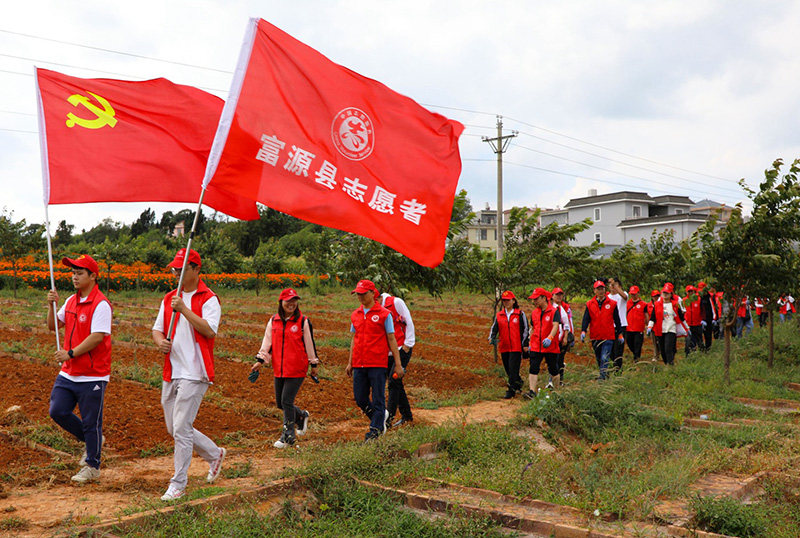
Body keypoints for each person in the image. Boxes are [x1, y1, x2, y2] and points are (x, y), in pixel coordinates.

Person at [152, 248, 226, 501]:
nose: (176, 274)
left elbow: (209, 330)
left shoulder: (208, 299)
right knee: (174, 428)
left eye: (181, 269)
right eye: (174, 269)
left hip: (195, 371)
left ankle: (178, 484)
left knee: (182, 428)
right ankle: (214, 454)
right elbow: (157, 329)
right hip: (171, 370)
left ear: (195, 269)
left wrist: (183, 308)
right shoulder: (169, 298)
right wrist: (160, 341)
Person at [46, 254, 111, 483]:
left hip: (92, 373)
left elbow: (97, 337)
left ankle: (93, 466)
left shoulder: (101, 304)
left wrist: (70, 353)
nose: (74, 276)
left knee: (91, 421)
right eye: (73, 272)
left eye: (80, 273)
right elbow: (53, 325)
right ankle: (93, 441)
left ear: (93, 276)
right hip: (69, 372)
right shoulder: (71, 301)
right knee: (58, 410)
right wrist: (51, 305)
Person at [252, 288, 319, 448]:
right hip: (279, 368)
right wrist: (260, 361)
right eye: (288, 301)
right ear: (281, 303)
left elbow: (310, 343)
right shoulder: (273, 321)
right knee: (280, 403)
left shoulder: (302, 321)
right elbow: (267, 344)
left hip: (297, 368)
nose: (292, 304)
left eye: (294, 300)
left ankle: (288, 436)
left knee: (287, 401)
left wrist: (313, 363)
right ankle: (301, 416)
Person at [346, 279, 404, 442]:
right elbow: (354, 339)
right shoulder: (355, 315)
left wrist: (398, 364)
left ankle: (374, 433)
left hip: (377, 363)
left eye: (364, 294)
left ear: (373, 293)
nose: (361, 297)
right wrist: (350, 362)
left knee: (378, 399)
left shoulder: (385, 314)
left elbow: (392, 339)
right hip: (359, 363)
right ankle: (379, 419)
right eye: (358, 294)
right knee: (360, 399)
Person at [379, 288, 415, 428]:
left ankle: (388, 419)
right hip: (387, 352)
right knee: (397, 383)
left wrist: (408, 343)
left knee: (394, 382)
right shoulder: (373, 308)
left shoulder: (396, 302)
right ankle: (407, 415)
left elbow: (409, 321)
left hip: (401, 348)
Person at [488, 291, 529, 398]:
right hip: (504, 346)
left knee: (512, 368)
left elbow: (526, 329)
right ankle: (518, 383)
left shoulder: (520, 314)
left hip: (516, 347)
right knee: (508, 368)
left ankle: (511, 390)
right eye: (504, 300)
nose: (506, 302)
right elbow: (494, 328)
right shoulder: (499, 315)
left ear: (513, 301)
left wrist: (525, 343)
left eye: (508, 300)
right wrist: (491, 337)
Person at [580, 281, 623, 380]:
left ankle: (602, 378)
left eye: (602, 289)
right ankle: (604, 373)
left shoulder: (612, 304)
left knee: (605, 357)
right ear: (594, 291)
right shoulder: (590, 304)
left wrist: (620, 333)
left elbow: (617, 319)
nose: (600, 291)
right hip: (595, 336)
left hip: (608, 336)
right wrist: (583, 331)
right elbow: (586, 318)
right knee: (599, 358)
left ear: (605, 289)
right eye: (598, 289)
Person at [524, 288, 562, 398]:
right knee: (533, 367)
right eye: (533, 299)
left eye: (536, 299)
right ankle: (532, 391)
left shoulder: (554, 311)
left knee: (553, 369)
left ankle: (556, 392)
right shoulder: (534, 313)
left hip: (550, 346)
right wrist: (530, 342)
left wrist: (550, 337)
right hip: (536, 345)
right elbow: (533, 328)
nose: (534, 302)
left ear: (544, 298)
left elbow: (555, 325)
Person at [647, 284, 685, 366]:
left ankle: (670, 364)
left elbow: (681, 317)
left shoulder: (675, 304)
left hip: (671, 328)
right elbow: (653, 317)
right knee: (662, 349)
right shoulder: (657, 305)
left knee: (668, 347)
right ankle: (666, 363)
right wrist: (649, 326)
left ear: (671, 294)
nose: (665, 294)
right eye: (664, 292)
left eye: (667, 293)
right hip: (660, 329)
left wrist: (687, 328)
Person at [551, 288, 572, 385]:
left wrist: (566, 337)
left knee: (559, 359)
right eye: (556, 295)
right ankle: (553, 380)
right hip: (552, 337)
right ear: (552, 296)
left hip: (560, 337)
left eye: (560, 295)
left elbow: (567, 323)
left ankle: (560, 380)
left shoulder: (563, 308)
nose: (559, 297)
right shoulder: (550, 307)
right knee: (552, 360)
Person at [607, 277, 628, 374]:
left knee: (618, 349)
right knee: (610, 350)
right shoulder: (607, 298)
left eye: (615, 285)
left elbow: (624, 296)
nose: (613, 287)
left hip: (621, 325)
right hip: (610, 326)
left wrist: (615, 285)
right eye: (611, 285)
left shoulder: (622, 296)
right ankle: (613, 367)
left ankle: (618, 370)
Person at [625, 286, 646, 361]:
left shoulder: (643, 304)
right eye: (632, 294)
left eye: (634, 294)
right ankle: (635, 353)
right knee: (629, 343)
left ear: (638, 293)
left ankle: (636, 358)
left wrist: (647, 325)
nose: (633, 296)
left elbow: (646, 315)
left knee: (638, 344)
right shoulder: (627, 303)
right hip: (629, 328)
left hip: (639, 328)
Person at [683, 285, 705, 355]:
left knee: (700, 340)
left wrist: (703, 320)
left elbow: (702, 310)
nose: (690, 293)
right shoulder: (683, 300)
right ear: (686, 292)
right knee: (688, 341)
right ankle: (688, 355)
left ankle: (703, 354)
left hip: (698, 323)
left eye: (692, 291)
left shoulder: (698, 299)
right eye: (689, 291)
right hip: (688, 324)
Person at [698, 282, 716, 351]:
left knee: (708, 335)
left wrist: (714, 318)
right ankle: (702, 349)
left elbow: (714, 308)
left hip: (709, 318)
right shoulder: (699, 298)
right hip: (701, 319)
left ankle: (708, 348)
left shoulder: (710, 297)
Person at [647, 290, 660, 360]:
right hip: (652, 326)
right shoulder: (648, 305)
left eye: (658, 296)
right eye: (655, 296)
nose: (656, 297)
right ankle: (656, 355)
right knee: (654, 342)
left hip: (660, 326)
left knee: (660, 342)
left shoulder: (661, 304)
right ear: (652, 297)